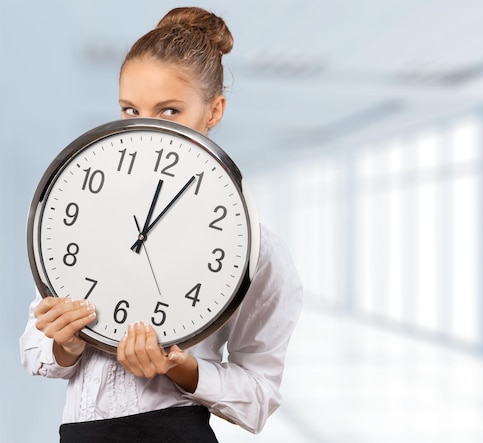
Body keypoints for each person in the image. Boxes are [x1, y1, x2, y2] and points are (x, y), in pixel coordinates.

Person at [20, 6, 303, 442]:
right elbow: (34, 352)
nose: (147, 128)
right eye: (130, 110)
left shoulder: (257, 250)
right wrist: (66, 343)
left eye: (169, 111)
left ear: (214, 110)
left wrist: (185, 370)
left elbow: (259, 397)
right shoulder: (75, 208)